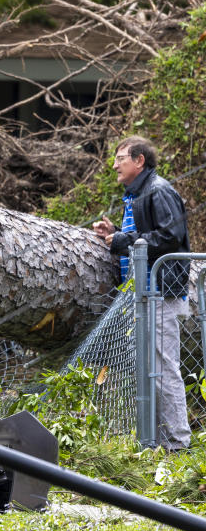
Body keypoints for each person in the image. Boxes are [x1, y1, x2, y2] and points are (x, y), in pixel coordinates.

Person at [92, 135, 191, 449]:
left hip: (160, 293)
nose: (115, 165)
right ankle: (157, 443)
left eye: (121, 158)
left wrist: (122, 241)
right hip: (142, 296)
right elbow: (144, 236)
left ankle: (177, 445)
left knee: (163, 369)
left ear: (140, 161)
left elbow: (170, 237)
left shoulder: (158, 190)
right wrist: (116, 235)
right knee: (148, 371)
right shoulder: (136, 193)